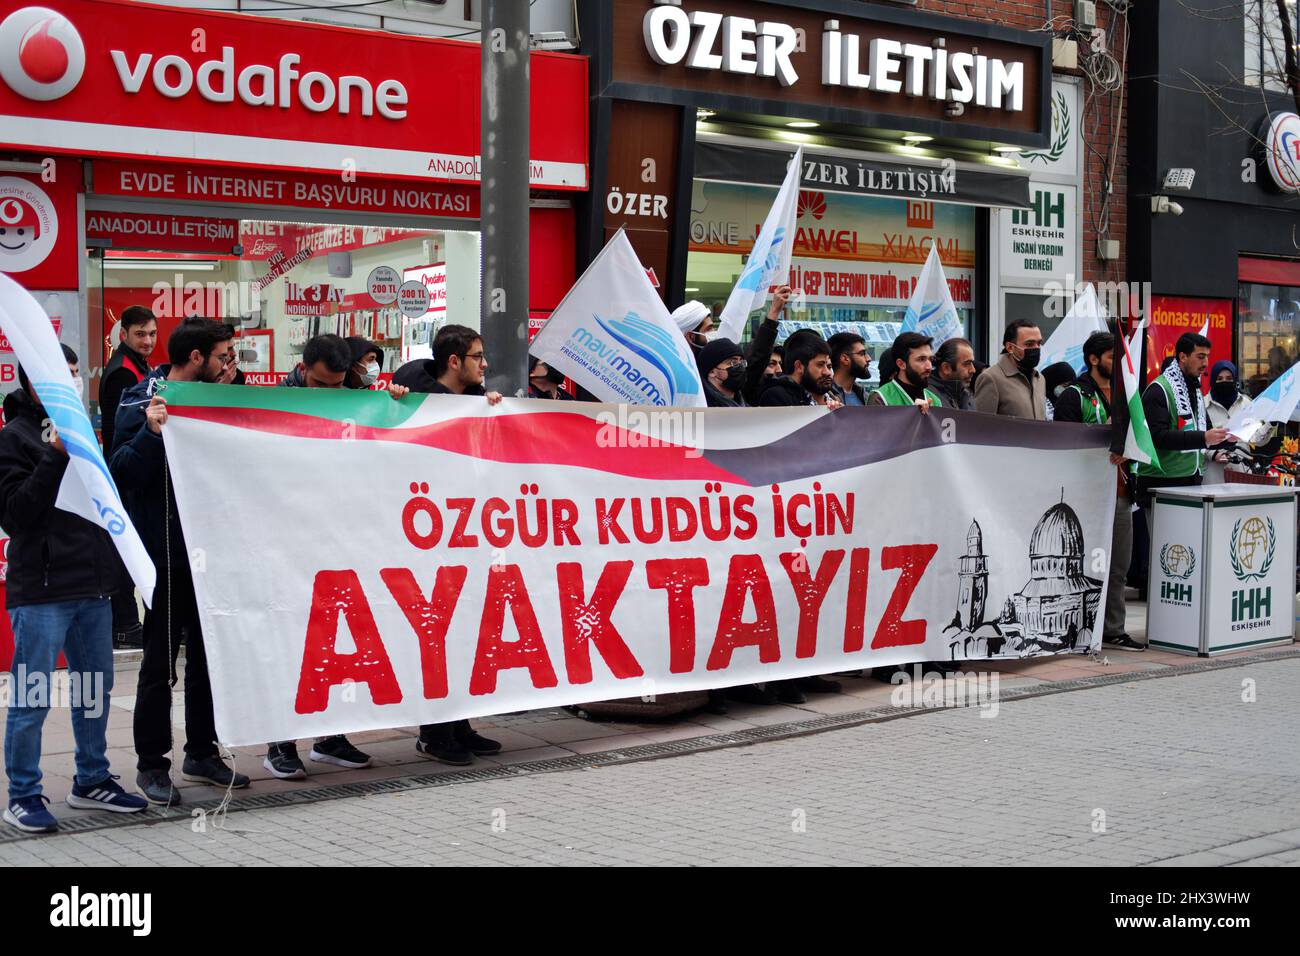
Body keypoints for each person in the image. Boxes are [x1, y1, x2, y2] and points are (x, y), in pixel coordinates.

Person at [0, 346, 149, 832]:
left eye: (73, 374)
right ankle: (22, 793)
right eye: (57, 376)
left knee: (94, 691)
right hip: (42, 588)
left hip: (93, 584)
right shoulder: (14, 438)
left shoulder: (86, 430)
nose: (70, 383)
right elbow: (17, 515)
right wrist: (54, 457)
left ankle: (91, 780)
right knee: (32, 697)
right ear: (31, 383)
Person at [109, 317, 250, 805]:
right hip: (165, 554)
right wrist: (152, 433)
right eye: (223, 356)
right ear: (197, 358)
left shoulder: (223, 393)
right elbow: (121, 469)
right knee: (158, 664)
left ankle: (202, 751)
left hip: (212, 552)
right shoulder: (142, 396)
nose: (229, 364)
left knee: (210, 658)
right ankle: (152, 765)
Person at [262, 334, 407, 780]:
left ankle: (331, 734)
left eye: (339, 387)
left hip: (338, 540)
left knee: (338, 639)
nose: (330, 396)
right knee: (289, 642)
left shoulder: (356, 400)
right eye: (322, 386)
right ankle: (279, 742)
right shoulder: (270, 408)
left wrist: (395, 403)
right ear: (303, 371)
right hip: (287, 543)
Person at [398, 324, 506, 765]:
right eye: (478, 357)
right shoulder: (411, 400)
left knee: (464, 634)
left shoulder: (475, 403)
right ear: (454, 361)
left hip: (467, 536)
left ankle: (459, 724)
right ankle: (434, 732)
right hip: (426, 539)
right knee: (436, 635)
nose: (485, 365)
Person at [1052, 332, 1144, 651]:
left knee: (1118, 565)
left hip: (1120, 493)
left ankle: (1113, 629)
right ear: (1093, 359)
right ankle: (1072, 631)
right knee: (1082, 566)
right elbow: (1063, 446)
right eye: (1111, 358)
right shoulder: (1073, 395)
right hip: (1085, 496)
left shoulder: (1127, 393)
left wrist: (1129, 450)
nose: (1118, 364)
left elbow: (1142, 438)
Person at [100, 306, 157, 650]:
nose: (148, 340)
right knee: (124, 548)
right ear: (123, 335)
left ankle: (126, 623)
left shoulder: (138, 365)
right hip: (124, 469)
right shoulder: (123, 370)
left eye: (151, 333)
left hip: (130, 466)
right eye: (140, 334)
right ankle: (123, 624)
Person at [1133, 331, 1229, 515]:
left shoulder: (1194, 388)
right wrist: (1204, 438)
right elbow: (1158, 437)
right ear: (1182, 357)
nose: (1206, 364)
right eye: (1200, 357)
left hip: (1191, 482)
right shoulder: (1158, 389)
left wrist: (1226, 438)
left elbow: (1205, 430)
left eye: (1207, 357)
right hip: (1162, 485)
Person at [974, 320, 1047, 420]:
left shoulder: (1040, 379)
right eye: (1029, 344)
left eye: (1039, 343)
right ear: (1010, 347)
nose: (1036, 348)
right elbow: (981, 425)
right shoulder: (991, 378)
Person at [1205, 360, 1263, 482]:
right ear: (1212, 380)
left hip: (1242, 474)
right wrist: (1213, 454)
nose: (1224, 382)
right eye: (1219, 379)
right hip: (1213, 478)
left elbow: (1257, 439)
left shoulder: (1247, 404)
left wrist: (1271, 424)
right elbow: (1194, 440)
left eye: (1229, 378)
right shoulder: (1202, 405)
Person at [757, 331, 841, 409]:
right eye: (820, 365)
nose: (827, 372)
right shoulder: (777, 397)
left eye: (829, 366)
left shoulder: (834, 398)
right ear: (799, 366)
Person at [868, 332, 940, 409]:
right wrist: (911, 414)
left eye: (930, 359)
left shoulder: (935, 400)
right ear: (901, 364)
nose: (929, 367)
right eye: (921, 359)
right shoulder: (880, 398)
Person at [698, 338, 749, 408]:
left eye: (742, 362)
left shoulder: (743, 404)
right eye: (733, 362)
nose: (740, 367)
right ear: (712, 371)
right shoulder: (701, 406)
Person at [928, 337, 977, 411]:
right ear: (946, 368)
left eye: (972, 363)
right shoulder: (928, 397)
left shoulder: (966, 394)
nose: (973, 370)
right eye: (967, 364)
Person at [827, 332, 871, 406]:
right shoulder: (827, 396)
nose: (868, 359)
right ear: (845, 359)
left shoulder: (863, 395)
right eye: (862, 353)